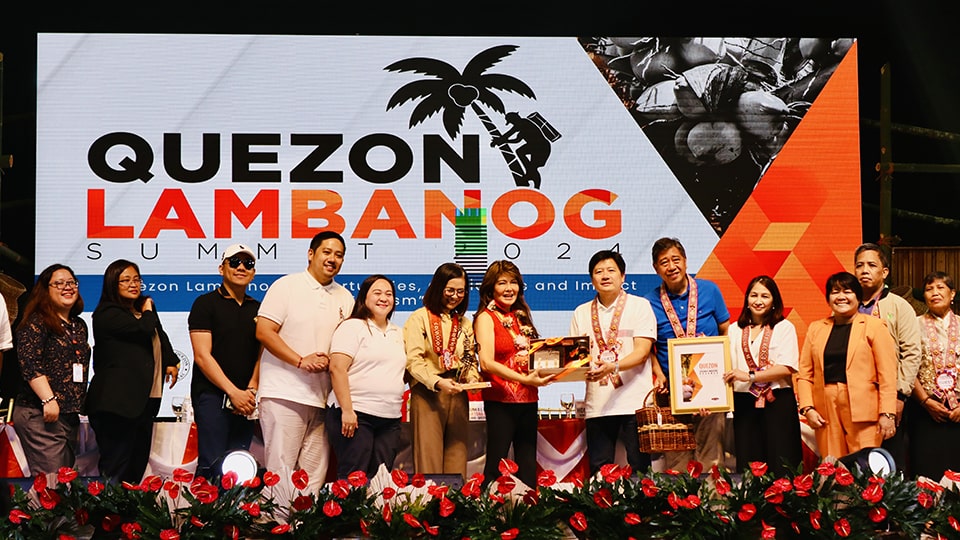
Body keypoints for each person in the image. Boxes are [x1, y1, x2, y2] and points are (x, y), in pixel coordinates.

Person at [256, 231, 354, 492]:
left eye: (339, 255)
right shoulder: (286, 286)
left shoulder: (345, 296)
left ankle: (305, 528)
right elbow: (264, 331)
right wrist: (300, 361)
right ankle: (279, 528)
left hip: (324, 399)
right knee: (281, 472)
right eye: (327, 252)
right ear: (311, 254)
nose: (332, 259)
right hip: (284, 393)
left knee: (314, 475)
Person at [86, 259, 180, 483]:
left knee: (136, 468)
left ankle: (130, 517)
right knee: (116, 467)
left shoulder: (143, 311)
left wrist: (171, 360)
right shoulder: (107, 314)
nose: (133, 284)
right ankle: (106, 517)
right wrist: (147, 310)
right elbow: (144, 329)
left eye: (136, 279)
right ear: (112, 284)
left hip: (144, 402)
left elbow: (159, 334)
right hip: (117, 405)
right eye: (125, 280)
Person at [570, 250, 662, 475]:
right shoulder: (581, 312)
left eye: (611, 270)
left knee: (640, 467)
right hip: (598, 404)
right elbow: (576, 359)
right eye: (598, 272)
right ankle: (602, 510)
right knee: (600, 469)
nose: (605, 276)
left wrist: (614, 366)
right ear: (591, 280)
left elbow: (642, 352)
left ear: (623, 276)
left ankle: (642, 511)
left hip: (635, 402)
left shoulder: (640, 306)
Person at [643, 237, 730, 470]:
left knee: (711, 457)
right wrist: (657, 372)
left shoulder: (710, 290)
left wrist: (720, 373)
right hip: (672, 392)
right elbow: (647, 346)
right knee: (678, 460)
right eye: (664, 262)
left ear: (685, 261)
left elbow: (725, 331)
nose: (671, 267)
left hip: (711, 389)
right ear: (655, 268)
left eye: (675, 259)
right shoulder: (649, 302)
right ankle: (681, 505)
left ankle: (713, 505)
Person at [796, 271, 898, 461]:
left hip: (865, 410)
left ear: (858, 297)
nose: (841, 296)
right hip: (825, 409)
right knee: (832, 468)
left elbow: (887, 375)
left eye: (848, 291)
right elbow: (804, 374)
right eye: (835, 292)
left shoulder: (875, 326)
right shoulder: (816, 328)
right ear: (828, 298)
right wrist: (807, 408)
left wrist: (887, 413)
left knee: (865, 468)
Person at [474, 260, 553, 489]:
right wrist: (523, 379)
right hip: (500, 400)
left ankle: (528, 515)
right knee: (497, 463)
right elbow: (487, 363)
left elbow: (533, 355)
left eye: (514, 282)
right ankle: (489, 516)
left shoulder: (521, 317)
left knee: (528, 463)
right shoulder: (485, 318)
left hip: (529, 398)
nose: (509, 288)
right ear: (491, 288)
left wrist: (558, 369)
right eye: (502, 283)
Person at [187, 244, 262, 480]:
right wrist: (232, 392)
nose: (241, 267)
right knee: (213, 463)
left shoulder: (258, 308)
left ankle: (235, 516)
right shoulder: (205, 303)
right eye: (234, 262)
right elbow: (202, 356)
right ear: (222, 268)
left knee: (240, 464)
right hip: (212, 395)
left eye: (247, 264)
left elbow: (262, 353)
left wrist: (251, 388)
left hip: (246, 399)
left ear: (253, 273)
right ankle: (205, 516)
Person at [403, 262, 480, 480]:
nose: (455, 296)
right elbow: (413, 361)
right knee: (429, 460)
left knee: (457, 456)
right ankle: (429, 509)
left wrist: (472, 378)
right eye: (450, 290)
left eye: (460, 291)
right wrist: (437, 382)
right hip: (429, 393)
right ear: (438, 288)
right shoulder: (419, 317)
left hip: (457, 391)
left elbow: (469, 358)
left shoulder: (464, 322)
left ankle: (456, 509)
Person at [11, 264, 90, 474]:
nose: (68, 287)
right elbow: (29, 362)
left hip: (68, 416)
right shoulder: (36, 322)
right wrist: (48, 399)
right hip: (40, 414)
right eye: (59, 283)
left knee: (65, 483)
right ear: (45, 290)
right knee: (51, 483)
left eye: (72, 282)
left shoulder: (79, 325)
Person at [721, 275, 802, 476]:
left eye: (765, 296)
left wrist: (750, 376)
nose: (758, 300)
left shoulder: (784, 327)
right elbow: (725, 365)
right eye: (753, 295)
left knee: (782, 459)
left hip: (777, 401)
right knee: (749, 463)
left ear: (774, 301)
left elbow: (787, 367)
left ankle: (786, 505)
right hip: (744, 402)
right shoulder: (734, 330)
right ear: (746, 299)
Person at [327, 274, 406, 478]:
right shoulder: (352, 326)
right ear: (364, 297)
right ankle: (346, 512)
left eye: (389, 294)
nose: (384, 298)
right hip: (356, 414)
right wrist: (347, 410)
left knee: (381, 479)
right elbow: (337, 368)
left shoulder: (399, 332)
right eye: (377, 293)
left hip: (390, 418)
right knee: (353, 477)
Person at [853, 243, 922, 472]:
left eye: (872, 265)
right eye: (860, 265)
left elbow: (911, 353)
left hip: (890, 397)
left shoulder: (899, 306)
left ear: (884, 272)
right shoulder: (847, 307)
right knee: (857, 462)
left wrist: (900, 396)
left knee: (889, 464)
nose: (865, 270)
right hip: (855, 399)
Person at [907, 271, 960, 481]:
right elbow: (906, 366)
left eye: (940, 287)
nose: (935, 293)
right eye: (929, 289)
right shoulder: (913, 325)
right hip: (925, 411)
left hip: (958, 413)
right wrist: (925, 401)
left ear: (952, 293)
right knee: (926, 475)